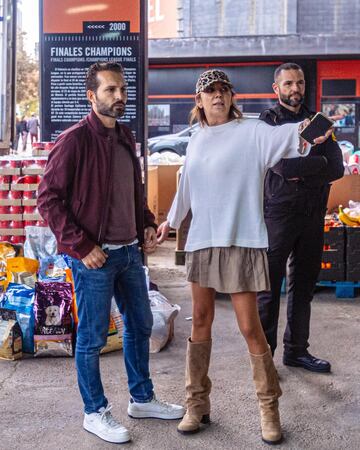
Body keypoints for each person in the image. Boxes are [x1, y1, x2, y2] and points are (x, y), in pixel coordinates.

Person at [157, 69, 333, 445]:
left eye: (224, 91)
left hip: (242, 239)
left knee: (251, 329)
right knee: (200, 321)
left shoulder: (252, 132)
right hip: (203, 240)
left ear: (231, 97)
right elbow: (186, 184)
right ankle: (196, 405)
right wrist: (169, 222)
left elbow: (293, 135)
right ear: (199, 101)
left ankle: (270, 410)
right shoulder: (197, 140)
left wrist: (314, 126)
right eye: (210, 92)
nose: (218, 96)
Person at [37, 62, 185, 445]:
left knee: (139, 327)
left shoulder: (124, 136)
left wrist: (146, 223)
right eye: (110, 90)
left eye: (122, 89)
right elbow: (48, 200)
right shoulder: (73, 140)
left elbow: (131, 191)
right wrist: (82, 247)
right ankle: (94, 411)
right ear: (92, 96)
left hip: (129, 253)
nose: (119, 96)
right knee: (91, 339)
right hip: (95, 258)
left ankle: (142, 398)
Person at [256, 63, 344, 373]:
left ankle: (296, 350)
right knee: (269, 288)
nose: (295, 89)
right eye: (289, 83)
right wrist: (316, 163)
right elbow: (282, 167)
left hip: (312, 214)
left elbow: (337, 169)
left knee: (304, 285)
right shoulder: (268, 123)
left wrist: (308, 165)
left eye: (300, 83)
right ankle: (264, 357)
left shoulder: (318, 121)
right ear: (276, 89)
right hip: (279, 214)